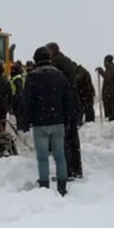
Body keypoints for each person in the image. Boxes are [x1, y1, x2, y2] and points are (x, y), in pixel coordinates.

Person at [23, 47, 74, 196]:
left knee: (43, 157)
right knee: (60, 155)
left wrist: (26, 121)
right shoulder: (61, 76)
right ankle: (62, 186)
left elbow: (27, 102)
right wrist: (68, 119)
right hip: (58, 121)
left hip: (40, 123)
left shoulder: (32, 77)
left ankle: (44, 186)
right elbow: (68, 100)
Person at [46, 42, 82, 180]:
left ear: (52, 51)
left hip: (63, 106)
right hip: (72, 104)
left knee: (63, 139)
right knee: (73, 139)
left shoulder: (57, 63)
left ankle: (66, 171)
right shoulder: (66, 61)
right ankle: (76, 169)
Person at [96, 55, 114, 121]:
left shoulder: (112, 67)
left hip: (111, 92)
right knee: (111, 107)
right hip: (111, 91)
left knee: (112, 107)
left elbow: (107, 77)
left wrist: (101, 71)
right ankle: (113, 119)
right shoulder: (111, 67)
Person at [10, 62, 28, 131]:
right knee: (18, 113)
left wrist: (17, 98)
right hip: (17, 97)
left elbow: (19, 89)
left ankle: (20, 126)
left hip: (17, 98)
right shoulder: (17, 77)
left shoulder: (17, 79)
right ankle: (20, 125)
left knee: (18, 113)